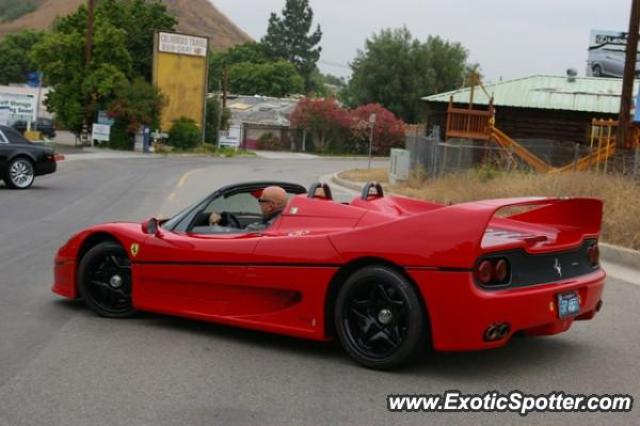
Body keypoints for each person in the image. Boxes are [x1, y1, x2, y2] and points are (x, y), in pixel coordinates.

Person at [209, 185, 288, 231]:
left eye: (260, 200)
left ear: (270, 206)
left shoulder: (256, 229)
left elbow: (231, 244)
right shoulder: (292, 225)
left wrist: (214, 224)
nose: (259, 204)